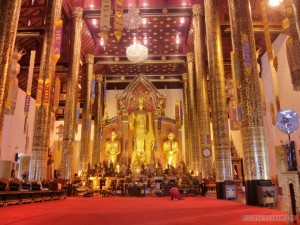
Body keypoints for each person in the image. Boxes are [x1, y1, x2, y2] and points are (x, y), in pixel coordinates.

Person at [129, 97, 154, 166]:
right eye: (139, 102)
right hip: (138, 131)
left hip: (145, 131)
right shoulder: (134, 113)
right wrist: (130, 122)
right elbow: (131, 127)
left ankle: (146, 162)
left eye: (142, 102)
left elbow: (149, 125)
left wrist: (151, 136)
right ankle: (137, 161)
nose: (141, 104)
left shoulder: (147, 113)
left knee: (146, 147)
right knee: (138, 146)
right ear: (137, 104)